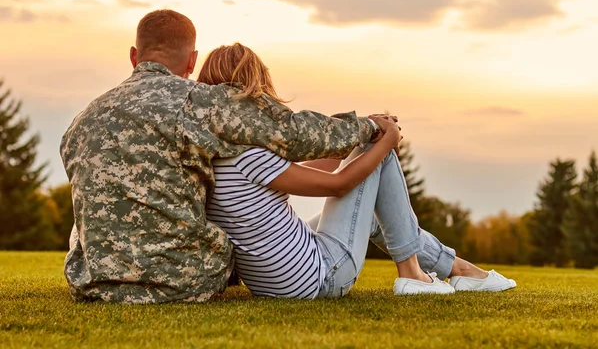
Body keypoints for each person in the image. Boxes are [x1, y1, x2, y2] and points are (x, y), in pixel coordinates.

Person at [60, 10, 383, 303]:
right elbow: (292, 132)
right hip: (180, 281)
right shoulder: (197, 103)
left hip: (93, 284)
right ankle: (416, 268)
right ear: (192, 62)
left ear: (134, 56)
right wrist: (368, 127)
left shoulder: (81, 122)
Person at [201, 43, 517, 298]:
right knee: (379, 157)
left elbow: (303, 173)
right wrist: (385, 140)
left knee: (373, 212)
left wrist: (359, 136)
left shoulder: (216, 155)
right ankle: (413, 275)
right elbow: (339, 185)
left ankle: (459, 270)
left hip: (273, 283)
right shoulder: (250, 154)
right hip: (318, 279)